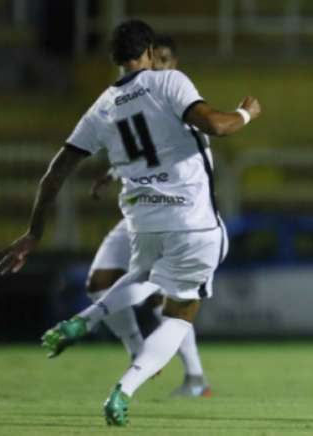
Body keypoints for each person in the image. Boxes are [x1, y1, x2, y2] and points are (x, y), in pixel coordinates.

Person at [0, 19, 260, 425]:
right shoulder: (168, 81)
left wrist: (34, 233)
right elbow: (217, 125)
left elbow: (56, 172)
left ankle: (83, 321)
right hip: (193, 223)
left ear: (115, 60)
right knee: (178, 314)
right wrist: (246, 111)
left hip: (144, 223)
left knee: (139, 276)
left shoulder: (101, 106)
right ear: (150, 53)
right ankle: (125, 389)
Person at [87, 34, 212, 397]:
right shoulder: (131, 98)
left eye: (166, 60)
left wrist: (241, 115)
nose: (159, 66)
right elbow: (139, 150)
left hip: (177, 214)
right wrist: (112, 174)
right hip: (140, 214)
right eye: (155, 59)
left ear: (173, 63)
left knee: (166, 300)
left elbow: (182, 149)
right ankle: (140, 354)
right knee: (98, 283)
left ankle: (195, 377)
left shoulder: (179, 96)